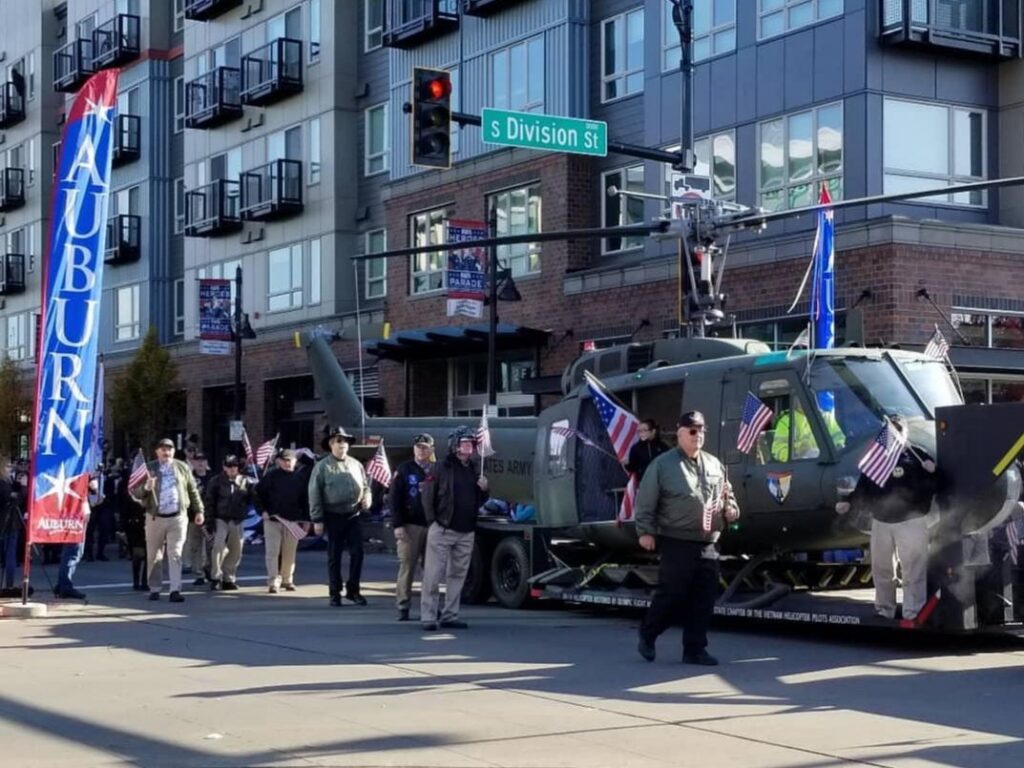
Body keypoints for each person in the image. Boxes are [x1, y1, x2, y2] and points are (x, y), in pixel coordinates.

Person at [635, 411, 739, 665]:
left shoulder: (715, 464)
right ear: (680, 433)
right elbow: (646, 500)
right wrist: (645, 531)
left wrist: (732, 510)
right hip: (676, 539)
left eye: (702, 430)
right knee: (672, 594)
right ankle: (648, 634)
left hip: (709, 540)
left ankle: (694, 649)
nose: (698, 435)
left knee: (704, 596)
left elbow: (728, 496)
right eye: (692, 431)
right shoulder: (663, 465)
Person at [863, 418, 935, 625]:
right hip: (882, 521)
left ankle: (914, 611)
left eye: (897, 431)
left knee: (913, 569)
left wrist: (934, 472)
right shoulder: (876, 458)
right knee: (881, 569)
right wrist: (850, 502)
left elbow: (940, 485)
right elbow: (864, 484)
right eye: (890, 432)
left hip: (911, 520)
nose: (893, 436)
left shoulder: (918, 457)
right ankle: (884, 609)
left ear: (904, 434)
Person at [419, 426, 489, 631]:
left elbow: (479, 499)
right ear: (454, 445)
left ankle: (450, 614)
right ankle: (428, 616)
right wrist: (433, 522)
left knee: (458, 575)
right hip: (442, 528)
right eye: (464, 443)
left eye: (471, 443)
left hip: (466, 531)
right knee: (433, 575)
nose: (469, 446)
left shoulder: (475, 469)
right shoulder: (440, 467)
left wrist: (485, 489)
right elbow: (427, 496)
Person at [130, 437, 205, 603]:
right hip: (155, 517)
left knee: (176, 553)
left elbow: (192, 490)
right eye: (163, 449)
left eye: (169, 449)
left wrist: (199, 510)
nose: (166, 452)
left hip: (178, 517)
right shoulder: (149, 468)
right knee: (154, 554)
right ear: (157, 451)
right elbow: (135, 492)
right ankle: (155, 588)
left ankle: (175, 589)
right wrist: (146, 487)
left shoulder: (183, 467)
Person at [308, 427, 371, 607]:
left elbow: (366, 486)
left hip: (353, 514)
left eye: (345, 441)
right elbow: (314, 494)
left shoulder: (355, 464)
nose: (342, 444)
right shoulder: (322, 467)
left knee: (357, 553)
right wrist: (317, 519)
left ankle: (353, 591)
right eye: (338, 441)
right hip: (333, 515)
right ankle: (334, 592)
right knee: (334, 556)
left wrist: (367, 497)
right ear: (331, 444)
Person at [389, 433, 435, 621]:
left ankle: (429, 608)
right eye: (418, 446)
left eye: (425, 447)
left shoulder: (437, 470)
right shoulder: (405, 469)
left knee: (431, 569)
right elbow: (394, 498)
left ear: (432, 449)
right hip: (410, 525)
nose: (421, 450)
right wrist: (398, 524)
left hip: (432, 525)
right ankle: (403, 606)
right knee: (407, 566)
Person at [258, 448, 310, 593]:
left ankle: (287, 580)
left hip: (293, 521)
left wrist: (307, 520)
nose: (288, 463)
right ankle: (273, 581)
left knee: (289, 553)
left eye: (290, 460)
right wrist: (262, 511)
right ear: (279, 461)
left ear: (295, 461)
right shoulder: (270, 476)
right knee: (272, 552)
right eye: (284, 460)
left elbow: (306, 501)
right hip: (273, 520)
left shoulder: (300, 478)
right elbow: (257, 494)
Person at [205, 454, 259, 591]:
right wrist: (209, 521)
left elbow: (253, 499)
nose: (232, 469)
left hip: (237, 519)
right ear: (224, 467)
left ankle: (228, 578)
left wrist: (256, 488)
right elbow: (209, 502)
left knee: (236, 550)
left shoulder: (245, 481)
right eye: (229, 466)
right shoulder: (216, 481)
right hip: (220, 518)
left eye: (235, 466)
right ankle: (216, 577)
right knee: (218, 547)